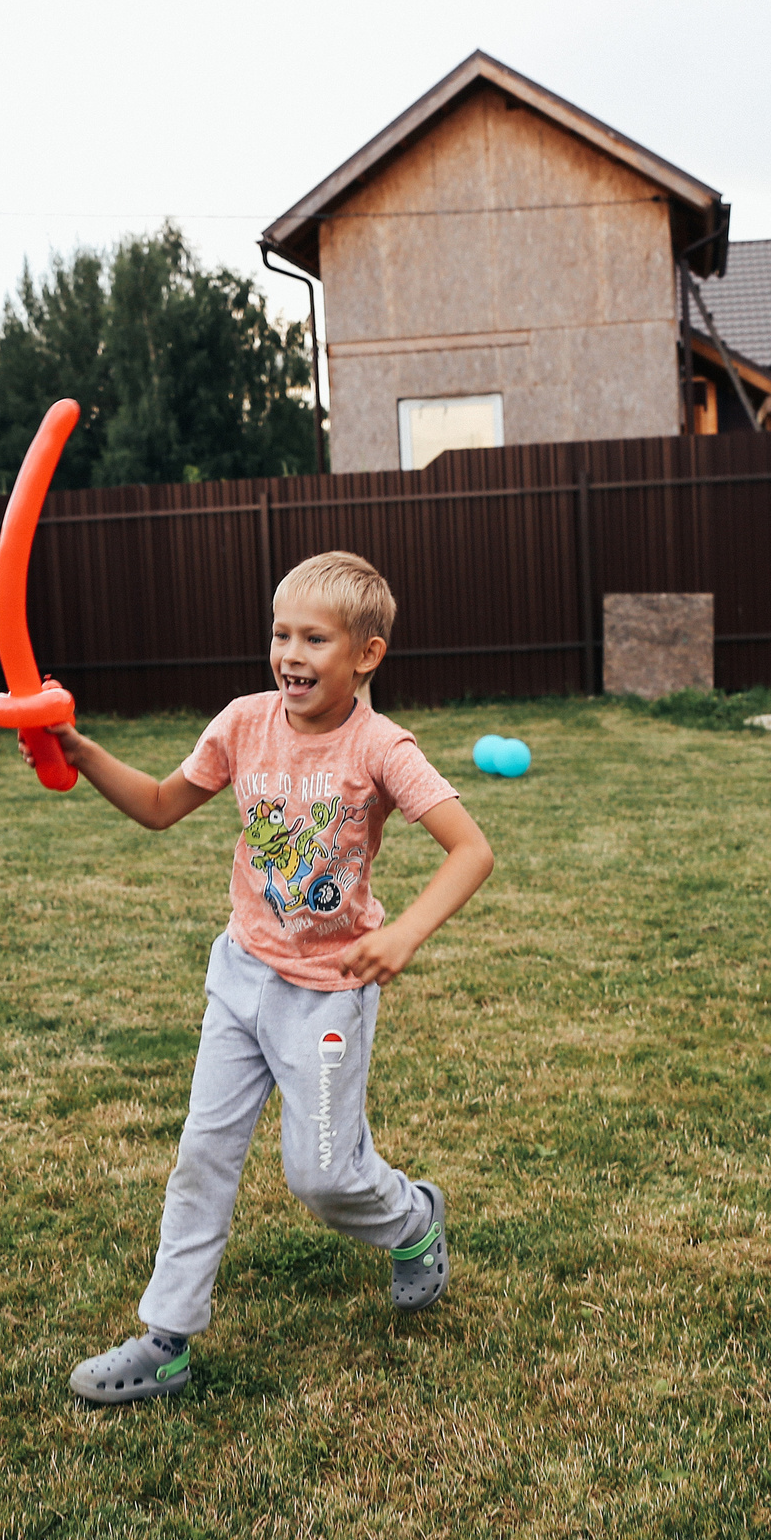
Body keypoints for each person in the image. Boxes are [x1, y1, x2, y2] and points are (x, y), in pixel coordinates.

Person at [37, 550, 495, 1404]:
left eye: (314, 637)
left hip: (328, 992)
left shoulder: (381, 746)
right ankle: (165, 1340)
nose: (290, 652)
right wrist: (83, 752)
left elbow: (471, 850)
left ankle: (413, 1219)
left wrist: (402, 934)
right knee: (202, 1154)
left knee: (323, 1178)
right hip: (241, 975)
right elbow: (161, 805)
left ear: (366, 654)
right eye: (280, 632)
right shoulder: (244, 723)